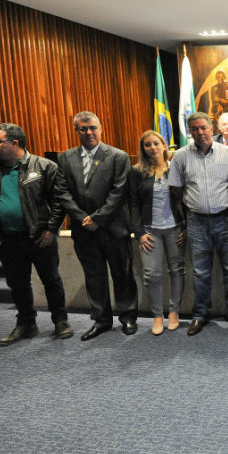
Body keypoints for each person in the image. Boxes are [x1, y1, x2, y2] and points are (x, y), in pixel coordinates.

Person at [0, 123, 72, 345]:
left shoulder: (44, 166)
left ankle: (60, 321)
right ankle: (26, 323)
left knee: (51, 280)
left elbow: (59, 202)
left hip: (39, 237)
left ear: (14, 143)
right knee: (17, 284)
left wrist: (52, 229)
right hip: (7, 238)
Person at [56, 111, 138, 340]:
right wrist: (83, 218)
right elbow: (62, 192)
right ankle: (101, 320)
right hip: (83, 230)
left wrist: (98, 218)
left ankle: (128, 316)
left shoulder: (118, 156)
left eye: (92, 127)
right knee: (94, 276)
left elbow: (119, 192)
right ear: (76, 131)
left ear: (101, 128)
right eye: (83, 129)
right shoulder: (65, 158)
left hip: (113, 228)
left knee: (122, 274)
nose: (89, 132)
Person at [169, 112, 228, 335]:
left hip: (225, 220)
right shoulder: (181, 157)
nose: (200, 132)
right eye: (194, 129)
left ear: (212, 128)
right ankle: (200, 314)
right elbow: (176, 188)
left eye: (203, 127)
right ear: (189, 131)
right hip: (197, 222)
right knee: (201, 272)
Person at [129, 130, 186, 336]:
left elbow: (187, 199)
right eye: (147, 145)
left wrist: (186, 226)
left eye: (156, 143)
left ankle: (174, 312)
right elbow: (133, 205)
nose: (152, 148)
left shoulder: (175, 169)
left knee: (176, 270)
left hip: (175, 228)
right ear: (143, 149)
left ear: (164, 145)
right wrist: (139, 232)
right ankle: (157, 315)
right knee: (151, 274)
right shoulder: (137, 172)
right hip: (149, 231)